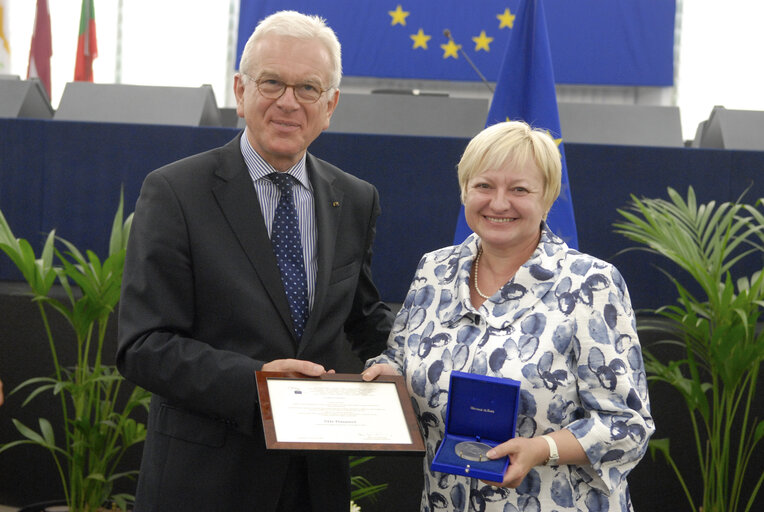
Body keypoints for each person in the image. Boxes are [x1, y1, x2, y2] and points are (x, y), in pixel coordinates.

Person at [117, 10, 394, 512]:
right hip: (206, 482)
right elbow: (143, 344)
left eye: (308, 88)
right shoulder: (175, 192)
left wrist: (414, 359)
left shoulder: (355, 199)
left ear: (329, 106)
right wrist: (259, 385)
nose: (288, 102)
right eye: (272, 83)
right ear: (241, 92)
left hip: (315, 482)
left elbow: (364, 318)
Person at [363, 121, 654, 511]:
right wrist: (387, 376)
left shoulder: (592, 284)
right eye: (484, 186)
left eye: (519, 189)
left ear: (548, 198)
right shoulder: (434, 270)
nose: (499, 203)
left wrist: (542, 449)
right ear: (464, 190)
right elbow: (400, 358)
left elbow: (627, 425)